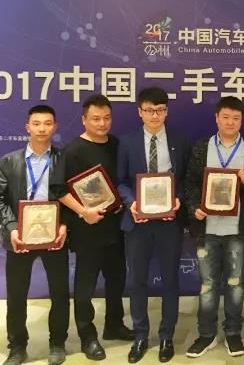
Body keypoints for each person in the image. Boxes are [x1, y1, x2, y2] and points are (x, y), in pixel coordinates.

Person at [183, 96, 244, 359]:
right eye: (225, 117)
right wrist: (194, 207)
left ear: (242, 120)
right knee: (207, 285)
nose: (230, 122)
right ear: (216, 118)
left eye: (236, 118)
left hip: (236, 228)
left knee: (235, 283)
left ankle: (233, 332)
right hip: (207, 227)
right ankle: (206, 334)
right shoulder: (201, 147)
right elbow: (190, 183)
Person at [55, 94, 133, 362]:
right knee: (85, 285)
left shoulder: (116, 145)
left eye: (106, 118)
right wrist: (83, 212)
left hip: (115, 227)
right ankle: (87, 336)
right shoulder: (73, 150)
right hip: (86, 228)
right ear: (84, 120)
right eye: (96, 119)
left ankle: (114, 324)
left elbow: (122, 181)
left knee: (117, 278)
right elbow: (59, 190)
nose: (102, 123)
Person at [117, 87, 191, 363]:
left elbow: (186, 179)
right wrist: (132, 203)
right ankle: (140, 335)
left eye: (160, 110)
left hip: (169, 222)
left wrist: (178, 200)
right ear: (140, 112)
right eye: (149, 110)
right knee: (137, 281)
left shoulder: (180, 141)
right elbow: (120, 181)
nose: (155, 115)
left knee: (171, 280)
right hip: (138, 222)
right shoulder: (127, 142)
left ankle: (166, 336)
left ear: (166, 112)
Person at [0, 105, 69, 365]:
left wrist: (64, 225)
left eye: (47, 123)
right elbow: (0, 200)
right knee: (17, 296)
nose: (42, 128)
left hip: (55, 237)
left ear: (55, 127)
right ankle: (17, 347)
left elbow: (72, 197)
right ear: (27, 127)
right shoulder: (9, 161)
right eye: (36, 123)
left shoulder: (64, 159)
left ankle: (57, 343)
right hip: (20, 238)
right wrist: (12, 228)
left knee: (60, 293)